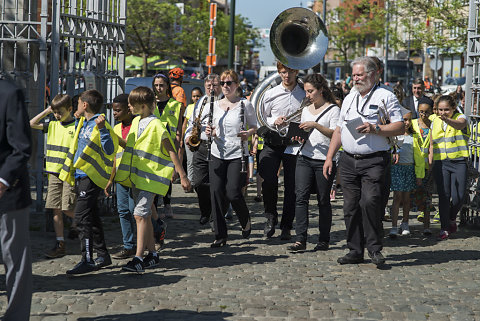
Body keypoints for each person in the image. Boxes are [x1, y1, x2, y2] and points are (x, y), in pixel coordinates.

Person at [323, 56, 404, 266]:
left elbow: (400, 126)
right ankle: (355, 250)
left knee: (370, 202)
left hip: (375, 160)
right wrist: (330, 156)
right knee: (350, 207)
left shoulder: (386, 96)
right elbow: (339, 129)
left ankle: (374, 249)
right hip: (349, 161)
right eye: (354, 75)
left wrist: (375, 128)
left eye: (360, 74)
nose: (355, 79)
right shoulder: (350, 97)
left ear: (373, 74)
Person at [116, 86, 190, 272]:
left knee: (139, 215)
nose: (129, 107)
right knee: (145, 216)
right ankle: (153, 255)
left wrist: (182, 176)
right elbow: (131, 147)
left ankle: (138, 259)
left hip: (151, 179)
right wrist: (111, 134)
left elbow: (171, 150)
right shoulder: (135, 123)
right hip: (136, 178)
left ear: (143, 106)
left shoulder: (156, 125)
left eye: (132, 104)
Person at [60, 89, 118, 275]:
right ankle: (103, 255)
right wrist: (77, 118)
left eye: (78, 103)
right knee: (91, 217)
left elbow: (110, 150)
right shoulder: (84, 122)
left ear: (85, 104)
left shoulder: (100, 123)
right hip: (80, 175)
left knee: (81, 217)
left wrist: (102, 130)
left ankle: (87, 258)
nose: (76, 107)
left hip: (91, 177)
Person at [287, 74, 340, 252]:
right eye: (306, 91)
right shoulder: (305, 109)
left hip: (324, 160)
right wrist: (298, 137)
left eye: (311, 91)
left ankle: (323, 239)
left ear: (321, 90)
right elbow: (304, 134)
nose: (307, 95)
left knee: (323, 200)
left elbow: (335, 134)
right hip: (304, 157)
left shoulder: (333, 110)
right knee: (300, 197)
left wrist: (316, 125)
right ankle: (300, 239)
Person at [205, 70, 257, 247]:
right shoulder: (213, 104)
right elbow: (207, 127)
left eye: (229, 83)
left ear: (237, 85)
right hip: (217, 152)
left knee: (233, 192)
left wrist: (247, 134)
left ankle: (244, 218)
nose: (225, 86)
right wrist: (208, 132)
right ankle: (221, 236)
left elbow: (254, 127)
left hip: (237, 153)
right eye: (223, 83)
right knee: (217, 193)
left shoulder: (245, 104)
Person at [259, 61, 306, 240]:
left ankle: (287, 224)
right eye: (284, 72)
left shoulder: (304, 94)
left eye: (291, 71)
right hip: (273, 142)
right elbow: (262, 117)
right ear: (279, 73)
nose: (287, 75)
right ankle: (270, 217)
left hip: (293, 144)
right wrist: (273, 121)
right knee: (268, 180)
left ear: (297, 72)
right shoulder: (270, 93)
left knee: (292, 186)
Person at [0, 78, 33, 321]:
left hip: (8, 192)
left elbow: (21, 146)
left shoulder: (10, 93)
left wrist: (2, 181)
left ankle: (16, 317)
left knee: (15, 259)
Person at [29, 94, 77, 258]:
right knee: (55, 208)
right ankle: (60, 243)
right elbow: (32, 123)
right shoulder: (53, 125)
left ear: (70, 109)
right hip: (53, 172)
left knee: (67, 208)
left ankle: (86, 225)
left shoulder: (76, 126)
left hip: (69, 172)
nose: (57, 115)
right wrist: (47, 111)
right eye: (55, 112)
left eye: (60, 112)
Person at [429, 95, 470, 240]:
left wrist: (447, 120)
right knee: (444, 196)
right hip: (441, 162)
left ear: (453, 108)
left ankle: (452, 217)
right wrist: (430, 159)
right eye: (440, 110)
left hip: (458, 161)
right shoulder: (434, 120)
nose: (443, 112)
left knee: (459, 196)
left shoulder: (461, 116)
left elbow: (460, 125)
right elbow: (432, 142)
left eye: (446, 109)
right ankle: (444, 227)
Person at [184, 74, 222, 225]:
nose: (212, 89)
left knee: (217, 183)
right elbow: (192, 123)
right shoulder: (201, 102)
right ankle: (205, 211)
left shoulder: (224, 102)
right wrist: (188, 136)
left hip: (218, 146)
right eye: (208, 86)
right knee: (199, 182)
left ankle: (215, 214)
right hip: (201, 145)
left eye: (215, 86)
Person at [105, 94, 137, 259]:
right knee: (123, 211)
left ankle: (152, 235)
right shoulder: (116, 128)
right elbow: (115, 158)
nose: (115, 114)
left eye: (118, 110)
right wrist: (110, 179)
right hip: (120, 178)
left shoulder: (138, 125)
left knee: (135, 211)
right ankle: (128, 246)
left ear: (128, 109)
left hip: (137, 176)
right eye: (113, 110)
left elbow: (133, 148)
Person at [152, 72, 183, 218]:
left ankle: (167, 203)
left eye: (161, 85)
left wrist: (176, 149)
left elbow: (178, 130)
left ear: (167, 87)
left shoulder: (175, 105)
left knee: (167, 176)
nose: (159, 88)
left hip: (168, 146)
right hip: (152, 145)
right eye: (156, 85)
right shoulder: (150, 104)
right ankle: (154, 206)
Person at [388, 110, 416, 238]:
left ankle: (405, 223)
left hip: (409, 168)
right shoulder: (395, 135)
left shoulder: (414, 136)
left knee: (406, 198)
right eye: (404, 120)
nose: (407, 122)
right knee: (397, 197)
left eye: (409, 120)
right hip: (397, 168)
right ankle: (394, 225)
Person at [412, 97, 435, 235]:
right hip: (413, 164)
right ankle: (404, 224)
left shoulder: (433, 125)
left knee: (427, 197)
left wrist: (431, 164)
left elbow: (433, 146)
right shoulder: (413, 124)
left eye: (426, 112)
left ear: (432, 111)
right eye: (421, 112)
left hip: (427, 165)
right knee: (409, 196)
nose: (423, 115)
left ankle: (426, 226)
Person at [182, 87, 203, 182]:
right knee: (190, 161)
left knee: (198, 161)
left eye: (198, 96)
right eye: (194, 96)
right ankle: (190, 181)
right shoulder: (189, 107)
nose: (196, 98)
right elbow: (185, 123)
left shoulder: (204, 107)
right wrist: (182, 137)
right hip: (190, 136)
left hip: (200, 137)